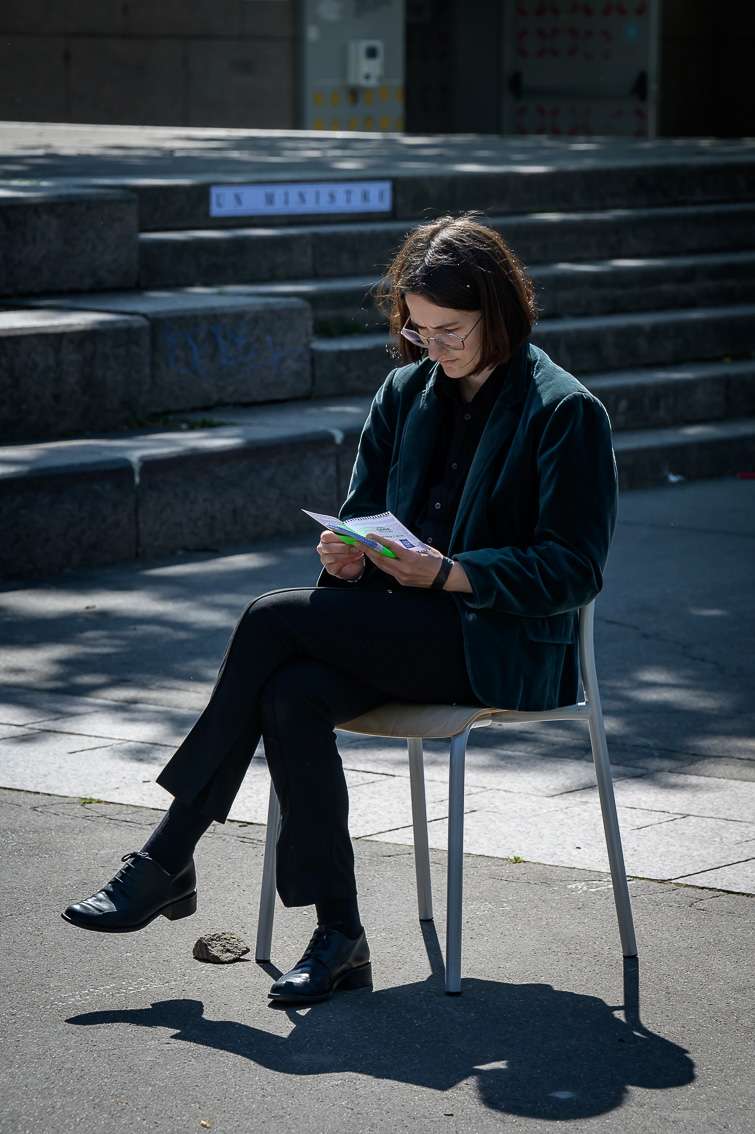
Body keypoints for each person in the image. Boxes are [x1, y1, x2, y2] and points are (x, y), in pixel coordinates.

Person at [61, 212, 618, 1005]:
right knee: (291, 694)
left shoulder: (564, 412)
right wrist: (344, 553)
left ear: (500, 310)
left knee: (269, 619)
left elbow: (572, 568)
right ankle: (339, 935)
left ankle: (168, 854)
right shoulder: (406, 389)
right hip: (392, 628)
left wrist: (449, 573)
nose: (434, 346)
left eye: (450, 329)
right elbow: (360, 511)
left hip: (492, 644)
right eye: (418, 328)